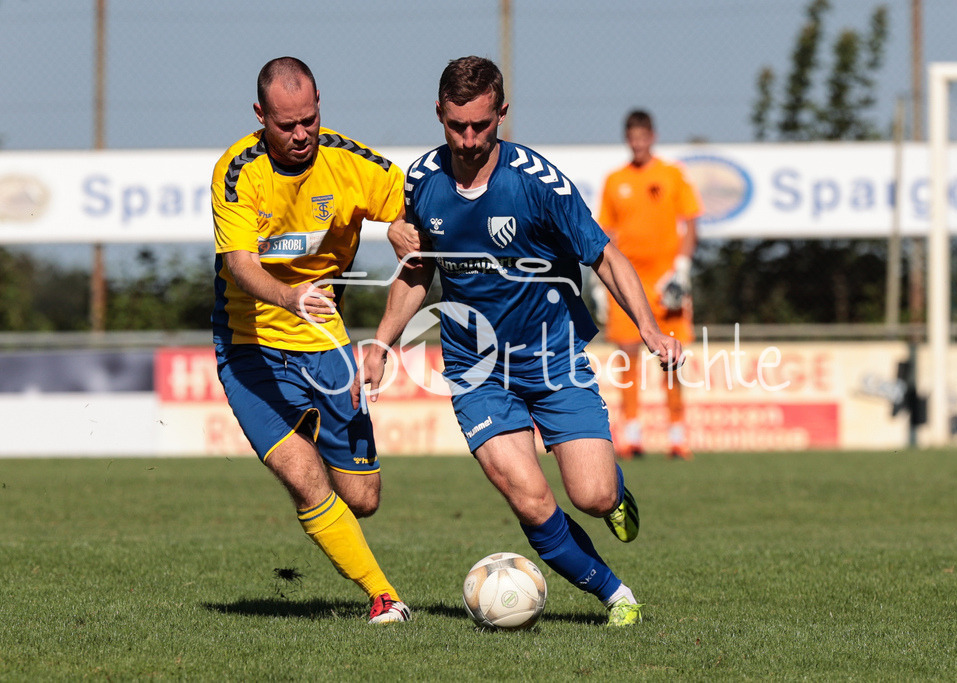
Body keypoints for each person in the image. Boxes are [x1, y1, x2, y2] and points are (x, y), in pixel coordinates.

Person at [355, 56, 682, 627]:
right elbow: (416, 271)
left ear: (502, 113)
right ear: (439, 113)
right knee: (529, 497)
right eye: (457, 126)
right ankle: (616, 595)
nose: (470, 139)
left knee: (594, 495)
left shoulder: (538, 183)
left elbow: (605, 254)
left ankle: (617, 497)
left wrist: (649, 327)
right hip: (474, 368)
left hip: (553, 356)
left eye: (482, 125)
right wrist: (382, 343)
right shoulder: (421, 182)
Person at [210, 56, 410, 624]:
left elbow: (418, 209)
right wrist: (290, 296)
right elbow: (242, 265)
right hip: (249, 346)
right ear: (260, 116)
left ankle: (316, 430)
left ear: (319, 104)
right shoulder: (237, 171)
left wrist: (403, 223)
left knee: (363, 499)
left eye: (310, 119)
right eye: (286, 124)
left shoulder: (351, 162)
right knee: (302, 477)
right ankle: (383, 597)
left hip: (326, 344)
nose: (301, 135)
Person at [596, 110, 704, 461]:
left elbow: (690, 223)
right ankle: (631, 433)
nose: (638, 142)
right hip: (628, 285)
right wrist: (600, 284)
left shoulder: (672, 174)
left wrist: (682, 270)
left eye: (643, 136)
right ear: (627, 138)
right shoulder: (615, 180)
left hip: (665, 282)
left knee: (671, 358)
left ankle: (677, 433)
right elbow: (605, 234)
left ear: (652, 136)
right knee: (627, 356)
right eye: (633, 136)